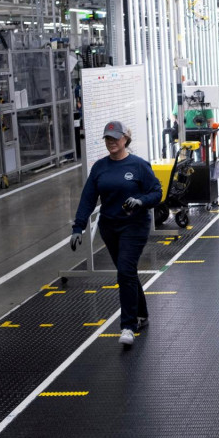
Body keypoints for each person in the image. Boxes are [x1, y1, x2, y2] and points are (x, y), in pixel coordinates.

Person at [71, 121, 162, 347]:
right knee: (127, 272)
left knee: (124, 271)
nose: (111, 142)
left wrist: (140, 201)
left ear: (125, 139)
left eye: (115, 138)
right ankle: (142, 314)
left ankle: (128, 326)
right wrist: (78, 227)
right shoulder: (100, 168)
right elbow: (88, 199)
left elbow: (156, 192)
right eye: (107, 139)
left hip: (134, 226)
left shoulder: (139, 166)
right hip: (109, 227)